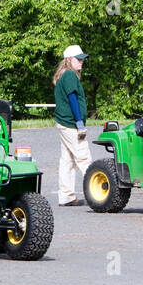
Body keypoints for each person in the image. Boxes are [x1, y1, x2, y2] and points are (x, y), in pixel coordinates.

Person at [53, 45, 90, 206]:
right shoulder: (69, 75)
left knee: (67, 160)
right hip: (70, 123)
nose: (81, 62)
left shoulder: (65, 74)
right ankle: (98, 191)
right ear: (69, 60)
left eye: (82, 59)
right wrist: (79, 122)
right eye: (78, 59)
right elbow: (73, 100)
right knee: (84, 157)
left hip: (64, 122)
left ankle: (66, 196)